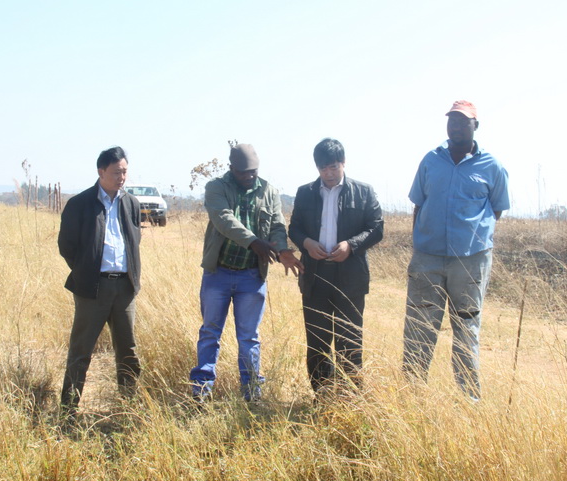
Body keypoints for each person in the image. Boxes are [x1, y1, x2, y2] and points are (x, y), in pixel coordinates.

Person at [403, 100, 510, 400]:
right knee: (419, 327)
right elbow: (418, 204)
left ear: (476, 126)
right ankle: (410, 397)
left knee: (466, 330)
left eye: (463, 122)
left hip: (470, 262)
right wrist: (421, 242)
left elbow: (496, 210)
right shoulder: (430, 160)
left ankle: (469, 402)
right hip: (427, 258)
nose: (456, 126)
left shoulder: (492, 166)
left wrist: (469, 237)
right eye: (452, 120)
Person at [189, 143, 303, 402]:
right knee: (210, 333)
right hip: (218, 273)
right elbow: (223, 219)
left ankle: (252, 392)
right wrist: (253, 242)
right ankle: (201, 391)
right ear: (232, 169)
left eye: (253, 171)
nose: (249, 176)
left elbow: (277, 226)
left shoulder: (269, 191)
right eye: (243, 172)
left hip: (251, 276)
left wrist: (282, 250)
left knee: (249, 337)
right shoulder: (216, 187)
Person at [289, 138, 383, 394]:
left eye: (333, 167)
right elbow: (294, 228)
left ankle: (350, 399)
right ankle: (321, 398)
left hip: (350, 278)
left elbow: (376, 228)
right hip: (315, 277)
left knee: (349, 341)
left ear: (343, 163)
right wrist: (307, 243)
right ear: (317, 168)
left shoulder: (364, 192)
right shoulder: (305, 192)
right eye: (323, 168)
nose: (329, 173)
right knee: (317, 341)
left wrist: (351, 246)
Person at [57, 146, 142, 418]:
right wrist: (86, 270)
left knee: (127, 350)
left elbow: (135, 241)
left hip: (124, 288)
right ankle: (68, 412)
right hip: (92, 288)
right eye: (116, 172)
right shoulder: (80, 204)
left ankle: (127, 410)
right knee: (81, 350)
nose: (121, 177)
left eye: (125, 172)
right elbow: (67, 246)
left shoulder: (131, 204)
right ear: (101, 171)